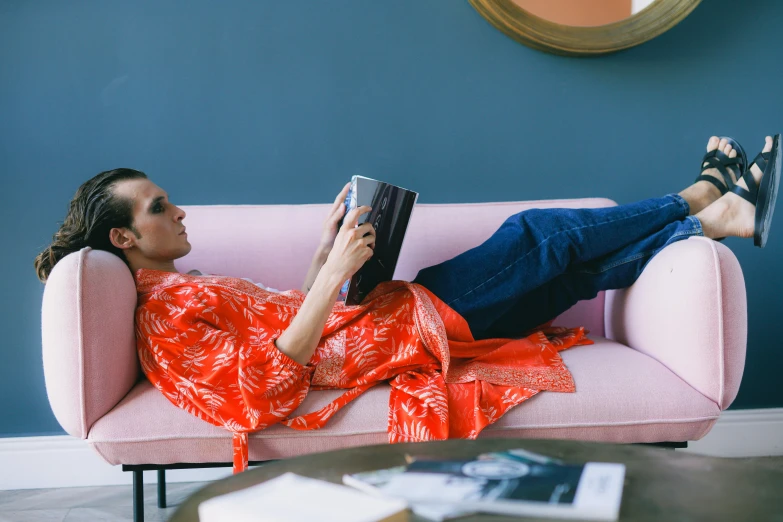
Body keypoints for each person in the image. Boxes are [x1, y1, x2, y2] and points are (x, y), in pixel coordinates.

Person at [34, 135, 780, 472]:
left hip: (392, 317)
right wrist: (333, 281)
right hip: (403, 333)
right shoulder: (163, 313)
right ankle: (695, 198)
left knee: (563, 279)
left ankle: (714, 221)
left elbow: (284, 324)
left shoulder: (182, 287)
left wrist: (328, 258)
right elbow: (257, 388)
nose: (181, 212)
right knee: (539, 237)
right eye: (162, 208)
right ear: (126, 238)